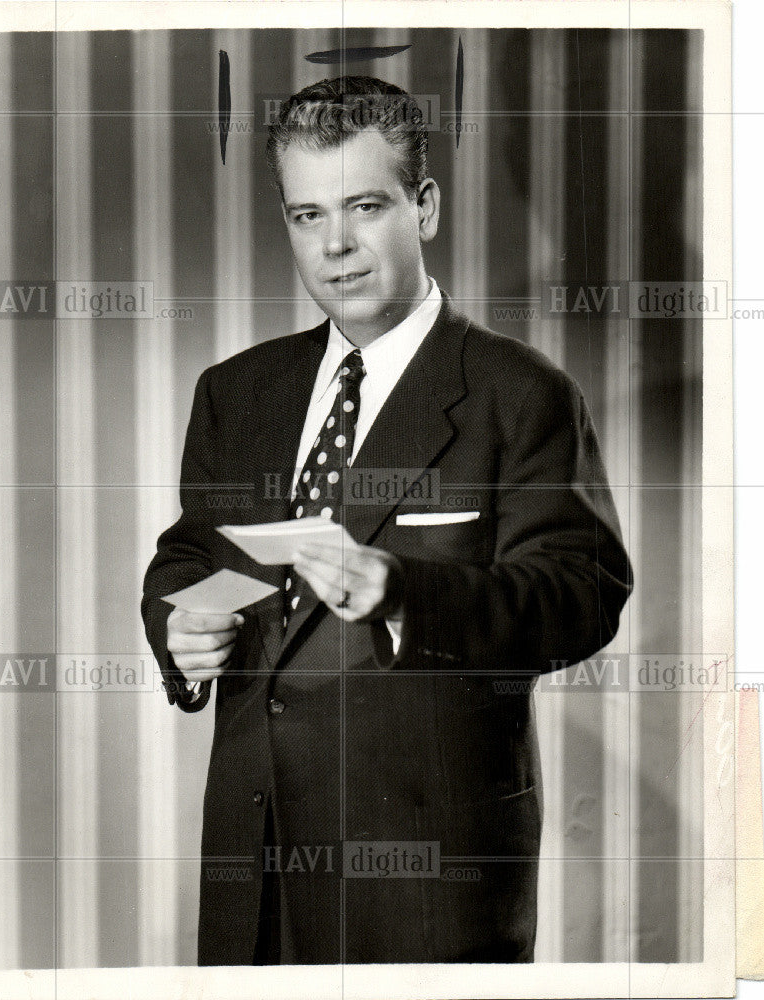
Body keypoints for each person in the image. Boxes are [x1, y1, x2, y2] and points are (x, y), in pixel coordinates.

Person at [142, 75, 633, 966]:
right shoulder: (237, 392)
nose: (335, 247)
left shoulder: (519, 393)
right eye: (305, 216)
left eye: (364, 206)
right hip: (253, 859)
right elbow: (190, 552)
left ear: (425, 206)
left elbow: (582, 594)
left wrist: (407, 593)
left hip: (426, 873)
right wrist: (175, 625)